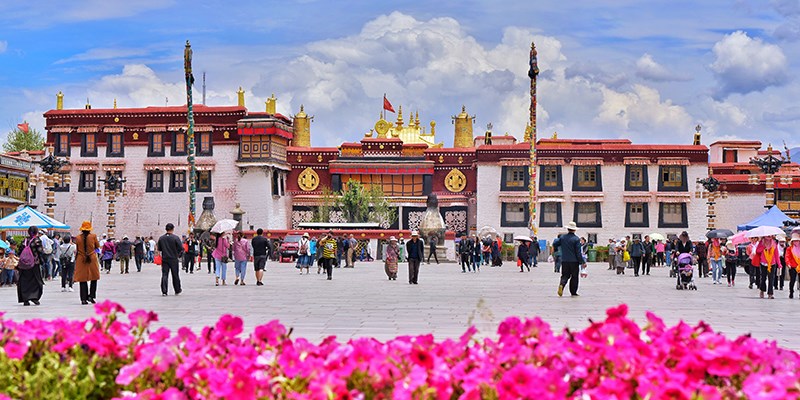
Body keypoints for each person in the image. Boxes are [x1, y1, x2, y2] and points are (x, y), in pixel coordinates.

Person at [553, 222, 585, 297]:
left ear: (568, 229)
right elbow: (578, 252)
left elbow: (555, 243)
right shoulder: (576, 239)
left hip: (564, 260)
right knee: (574, 277)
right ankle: (573, 292)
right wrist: (582, 262)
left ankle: (562, 284)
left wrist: (556, 250)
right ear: (574, 230)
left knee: (565, 275)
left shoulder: (562, 238)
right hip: (574, 261)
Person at [73, 221, 100, 305]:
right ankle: (91, 296)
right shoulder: (93, 236)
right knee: (94, 278)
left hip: (81, 258)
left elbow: (77, 248)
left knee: (82, 279)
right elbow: (97, 246)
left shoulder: (77, 238)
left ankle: (83, 299)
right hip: (91, 258)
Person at [17, 226, 44, 306]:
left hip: (23, 265)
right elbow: (40, 252)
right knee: (36, 281)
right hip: (34, 264)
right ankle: (34, 297)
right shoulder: (37, 241)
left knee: (24, 281)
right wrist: (42, 261)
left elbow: (19, 252)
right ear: (36, 232)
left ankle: (25, 299)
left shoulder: (24, 241)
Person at [156, 223, 183, 296]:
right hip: (173, 258)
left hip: (165, 258)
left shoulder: (161, 238)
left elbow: (159, 249)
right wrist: (178, 254)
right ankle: (177, 289)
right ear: (173, 229)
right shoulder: (175, 238)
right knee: (175, 275)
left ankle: (164, 291)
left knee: (164, 274)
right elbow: (181, 248)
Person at [753, 235, 781, 299]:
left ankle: (770, 293)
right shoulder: (761, 242)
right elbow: (757, 251)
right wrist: (763, 247)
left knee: (771, 279)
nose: (769, 236)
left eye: (770, 235)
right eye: (767, 235)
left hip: (772, 263)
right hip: (763, 263)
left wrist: (779, 264)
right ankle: (762, 290)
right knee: (763, 278)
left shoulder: (774, 243)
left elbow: (776, 254)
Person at [786, 232, 800, 299]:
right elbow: (787, 256)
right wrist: (788, 263)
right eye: (794, 241)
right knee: (792, 280)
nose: (795, 242)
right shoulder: (789, 249)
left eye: (797, 240)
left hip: (799, 266)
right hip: (792, 266)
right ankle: (791, 292)